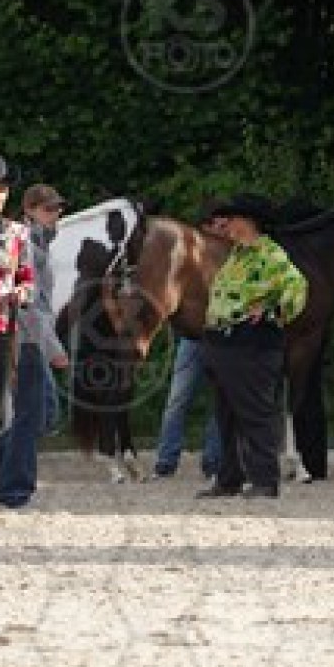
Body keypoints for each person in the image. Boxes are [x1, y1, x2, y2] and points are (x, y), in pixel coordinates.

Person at [196, 195, 307, 499]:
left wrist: (273, 310)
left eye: (231, 218)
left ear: (248, 222)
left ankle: (265, 479)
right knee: (226, 415)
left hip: (251, 342)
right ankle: (229, 477)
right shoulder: (237, 255)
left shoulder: (271, 255)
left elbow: (297, 287)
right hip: (223, 342)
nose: (226, 224)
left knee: (255, 413)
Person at [0, 186, 71, 509]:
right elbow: (31, 304)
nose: (57, 214)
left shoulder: (39, 242)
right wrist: (54, 348)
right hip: (24, 337)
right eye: (49, 209)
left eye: (58, 208)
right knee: (31, 413)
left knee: (41, 413)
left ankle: (4, 469)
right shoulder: (27, 242)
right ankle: (14, 488)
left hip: (30, 336)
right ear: (29, 209)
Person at [154, 206, 226, 483]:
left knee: (215, 401)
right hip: (196, 337)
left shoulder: (230, 257)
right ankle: (166, 461)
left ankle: (212, 461)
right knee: (178, 400)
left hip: (216, 336)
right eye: (218, 225)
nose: (223, 231)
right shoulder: (191, 261)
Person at [0, 157, 29, 446]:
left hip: (3, 326)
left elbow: (26, 276)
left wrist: (22, 291)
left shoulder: (16, 232)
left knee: (0, 405)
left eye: (3, 190)